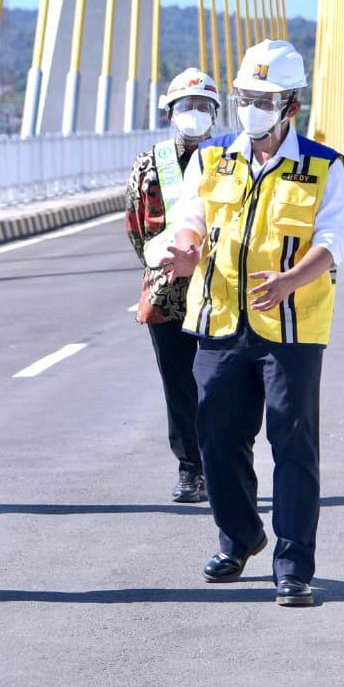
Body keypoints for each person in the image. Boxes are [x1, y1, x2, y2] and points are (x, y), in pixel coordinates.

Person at [161, 40, 344, 607]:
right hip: (219, 318)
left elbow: (335, 240)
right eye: (246, 96)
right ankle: (240, 536)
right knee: (216, 437)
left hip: (291, 326)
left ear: (290, 105)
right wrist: (186, 250)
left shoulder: (322, 165)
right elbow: (191, 216)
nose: (252, 107)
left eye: (265, 99)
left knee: (292, 444)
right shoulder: (212, 157)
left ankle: (293, 566)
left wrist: (292, 280)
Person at [125, 69, 221, 504]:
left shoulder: (229, 159)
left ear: (217, 115)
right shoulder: (149, 164)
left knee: (220, 383)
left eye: (203, 107)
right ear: (170, 113)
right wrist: (154, 263)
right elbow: (135, 225)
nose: (195, 115)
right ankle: (190, 470)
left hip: (220, 291)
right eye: (187, 107)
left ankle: (223, 464)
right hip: (166, 295)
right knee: (179, 384)